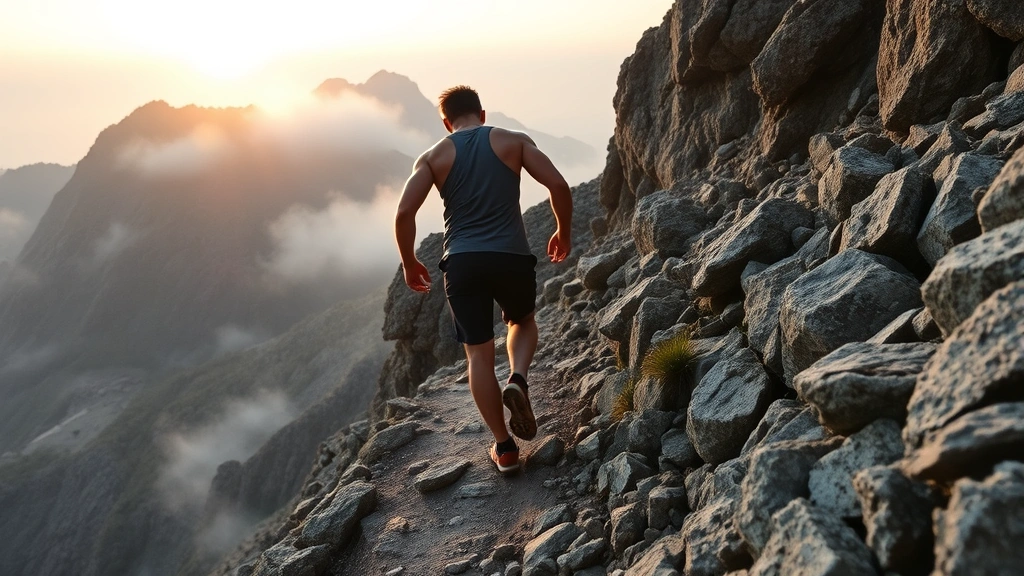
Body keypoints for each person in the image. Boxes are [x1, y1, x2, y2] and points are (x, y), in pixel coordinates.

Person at [394, 85, 573, 475]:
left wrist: (409, 262)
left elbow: (404, 212)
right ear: (483, 113)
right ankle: (518, 378)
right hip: (511, 257)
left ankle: (505, 449)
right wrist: (563, 231)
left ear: (447, 123)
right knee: (521, 321)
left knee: (478, 355)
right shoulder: (514, 141)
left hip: (462, 262)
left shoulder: (432, 157)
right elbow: (558, 185)